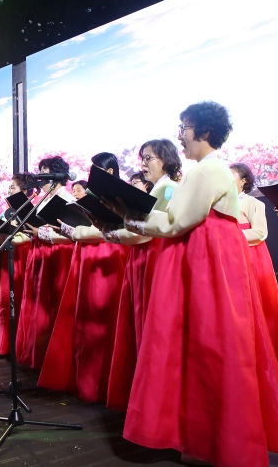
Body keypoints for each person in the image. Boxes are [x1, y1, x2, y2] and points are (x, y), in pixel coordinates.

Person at [105, 102, 278, 466]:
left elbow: (176, 223)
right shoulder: (207, 171)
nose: (179, 134)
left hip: (204, 262)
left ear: (205, 132)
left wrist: (130, 220)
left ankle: (211, 437)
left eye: (184, 127)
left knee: (206, 346)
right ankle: (208, 435)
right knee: (213, 346)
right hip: (210, 259)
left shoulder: (206, 171)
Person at [38, 153, 130, 403]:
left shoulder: (120, 195)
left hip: (108, 257)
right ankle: (83, 381)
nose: (91, 176)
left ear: (110, 172)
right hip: (86, 255)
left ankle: (102, 385)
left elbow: (109, 230)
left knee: (102, 322)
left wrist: (71, 230)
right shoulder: (92, 198)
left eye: (97, 171)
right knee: (82, 322)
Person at [106, 139, 181, 410]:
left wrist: (110, 231)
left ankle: (153, 400)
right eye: (142, 158)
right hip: (145, 256)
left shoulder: (169, 188)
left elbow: (151, 230)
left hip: (155, 256)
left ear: (166, 159)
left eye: (149, 158)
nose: (143, 164)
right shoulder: (159, 188)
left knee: (151, 325)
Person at [16, 156, 78, 369]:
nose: (41, 178)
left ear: (57, 176)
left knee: (53, 303)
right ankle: (38, 355)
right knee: (38, 302)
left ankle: (53, 359)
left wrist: (42, 232)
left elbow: (71, 233)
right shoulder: (42, 199)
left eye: (46, 172)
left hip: (58, 254)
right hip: (40, 250)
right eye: (40, 171)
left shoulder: (67, 199)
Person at [230, 162, 278, 369]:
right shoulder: (221, 204)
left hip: (251, 258)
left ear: (244, 181)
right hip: (230, 258)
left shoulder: (252, 203)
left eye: (231, 177)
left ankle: (260, 358)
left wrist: (229, 236)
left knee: (255, 306)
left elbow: (260, 233)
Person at [0, 173, 37, 354]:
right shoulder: (7, 212)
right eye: (9, 187)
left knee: (14, 301)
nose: (9, 190)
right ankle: (0, 344)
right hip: (2, 256)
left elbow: (29, 236)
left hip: (20, 257)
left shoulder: (30, 211)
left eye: (13, 187)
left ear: (25, 191)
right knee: (0, 302)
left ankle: (15, 346)